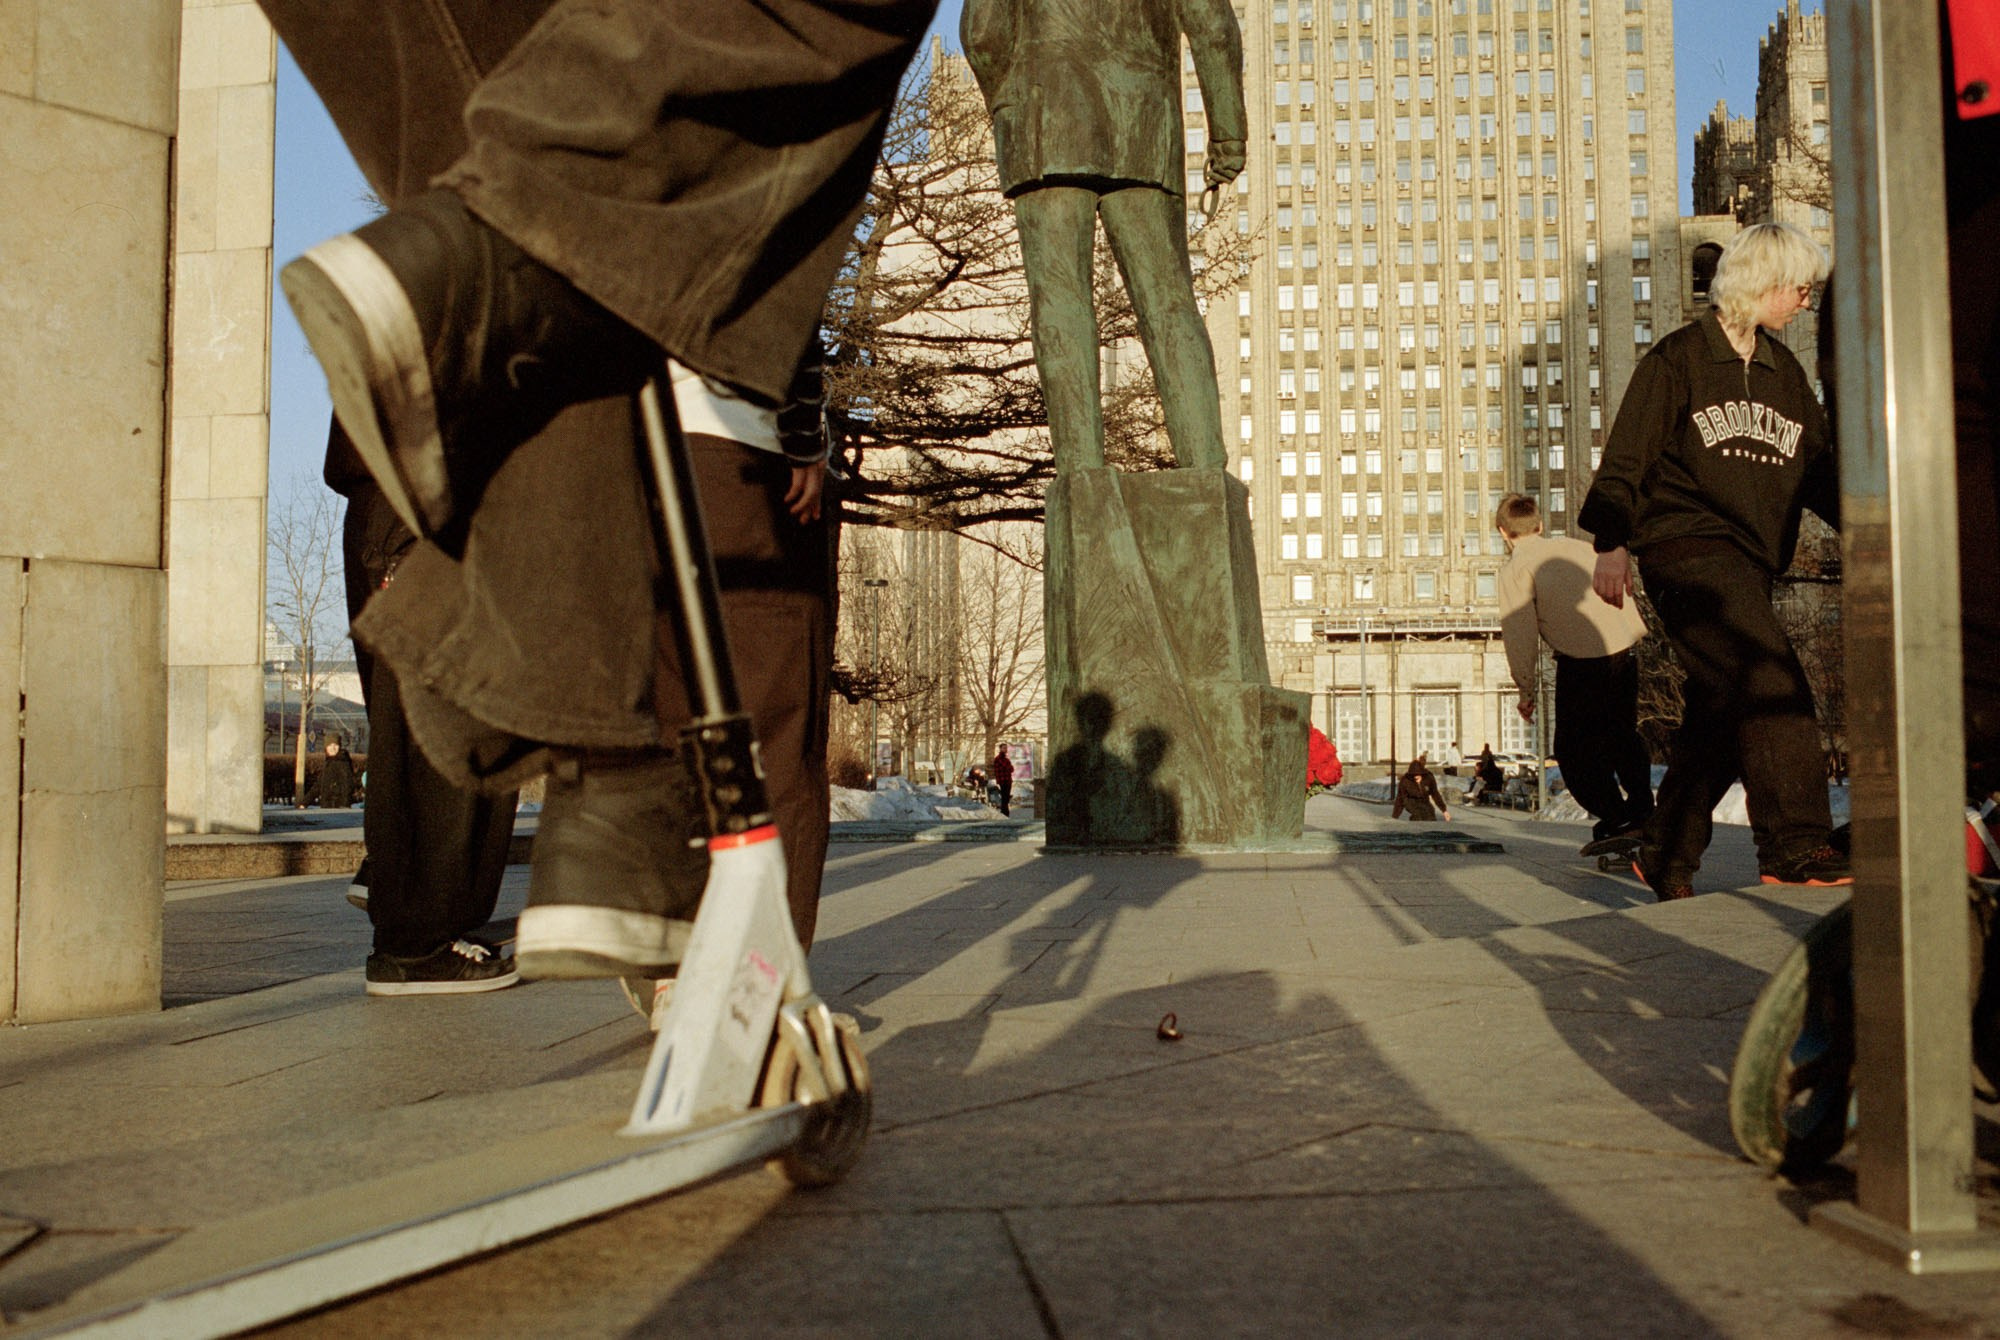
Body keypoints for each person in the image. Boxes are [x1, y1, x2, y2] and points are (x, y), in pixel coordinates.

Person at [263, 0, 934, 983]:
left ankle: (612, 788)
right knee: (772, 714)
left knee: (508, 139)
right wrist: (797, 418)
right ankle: (651, 840)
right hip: (713, 417)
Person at [1578, 221, 1849, 900]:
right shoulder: (1679, 359)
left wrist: (1881, 530)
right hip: (1685, 548)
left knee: (1721, 711)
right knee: (1768, 674)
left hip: (1751, 564)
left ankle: (1665, 850)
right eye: (1799, 289)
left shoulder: (1786, 375)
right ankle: (1794, 843)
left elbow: (1822, 475)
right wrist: (1609, 542)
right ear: (1760, 281)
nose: (1804, 303)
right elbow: (1627, 458)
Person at [960, 0, 1246, 473]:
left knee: (1059, 300)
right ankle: (1206, 475)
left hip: (1041, 117)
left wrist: (1007, 103)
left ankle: (1081, 474)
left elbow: (983, 31)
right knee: (1169, 303)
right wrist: (1228, 132)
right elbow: (1212, 23)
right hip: (1145, 122)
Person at [1495, 493, 1654, 856]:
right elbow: (1620, 584)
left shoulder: (1516, 569)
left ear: (1504, 533)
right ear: (1539, 526)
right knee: (1622, 735)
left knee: (1572, 751)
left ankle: (1618, 817)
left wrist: (1525, 688)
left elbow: (1519, 631)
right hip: (1622, 650)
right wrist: (1630, 631)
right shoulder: (1580, 548)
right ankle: (1643, 810)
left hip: (1582, 662)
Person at [1391, 755, 1450, 823]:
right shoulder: (1405, 780)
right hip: (1410, 800)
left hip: (1424, 800)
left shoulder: (1429, 778)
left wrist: (1444, 811)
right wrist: (1395, 816)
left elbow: (1435, 794)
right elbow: (1400, 798)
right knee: (1418, 815)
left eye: (1418, 776)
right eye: (1414, 776)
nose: (1416, 778)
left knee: (1430, 816)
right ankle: (1415, 827)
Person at [310, 738, 358, 809]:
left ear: (339, 746)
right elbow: (318, 785)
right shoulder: (328, 763)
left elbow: (347, 785)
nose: (333, 748)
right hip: (327, 807)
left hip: (337, 808)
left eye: (336, 745)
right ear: (326, 747)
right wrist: (305, 802)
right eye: (330, 745)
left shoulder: (343, 762)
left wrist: (344, 805)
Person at [991, 746, 1015, 816]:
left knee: (1006, 797)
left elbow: (1011, 769)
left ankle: (1004, 812)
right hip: (1003, 780)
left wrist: (1010, 767)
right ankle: (1004, 812)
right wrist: (1009, 766)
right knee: (1005, 797)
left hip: (1007, 779)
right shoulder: (999, 759)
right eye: (1004, 748)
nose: (1006, 749)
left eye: (1006, 748)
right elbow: (1009, 768)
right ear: (1000, 749)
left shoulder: (1005, 759)